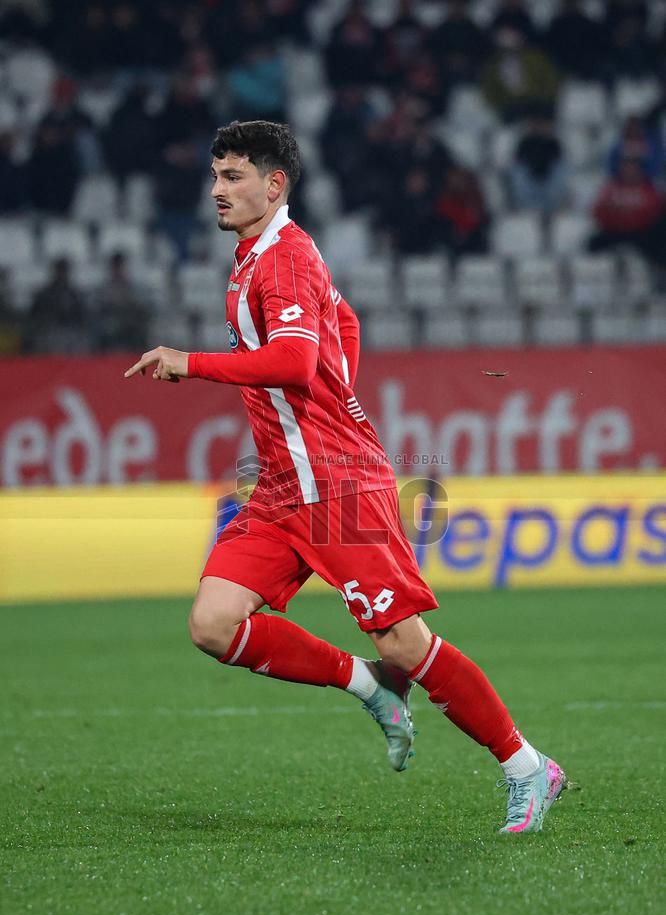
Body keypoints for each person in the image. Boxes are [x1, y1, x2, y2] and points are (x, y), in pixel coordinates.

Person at [125, 120, 566, 834]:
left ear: (275, 184)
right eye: (214, 175)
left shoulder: (283, 259)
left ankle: (526, 766)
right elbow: (345, 320)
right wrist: (340, 388)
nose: (216, 190)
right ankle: (367, 686)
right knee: (212, 623)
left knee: (404, 640)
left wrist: (193, 361)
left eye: (233, 176)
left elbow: (297, 362)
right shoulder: (256, 256)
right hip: (279, 486)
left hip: (337, 484)